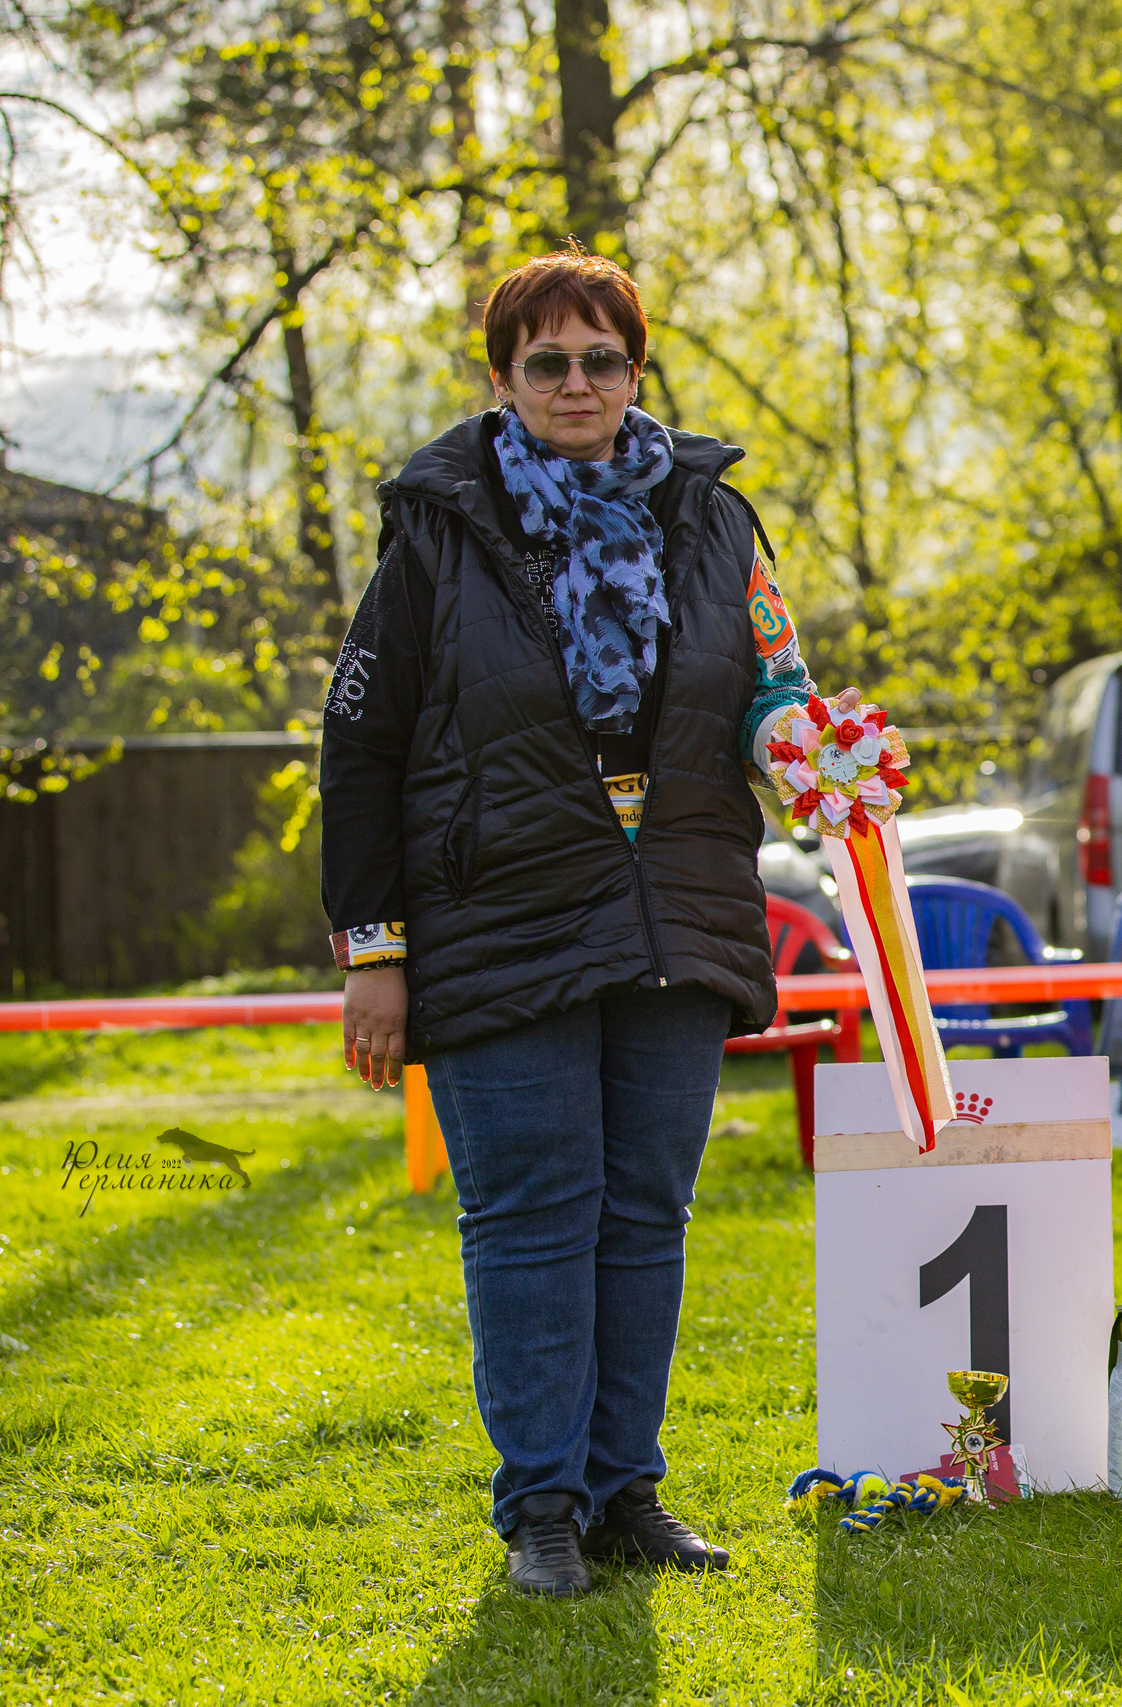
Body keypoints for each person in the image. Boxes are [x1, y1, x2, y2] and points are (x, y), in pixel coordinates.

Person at [321, 249, 810, 1596]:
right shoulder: (435, 529)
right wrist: (374, 952)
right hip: (499, 918)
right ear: (503, 379)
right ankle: (540, 1501)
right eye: (548, 362)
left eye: (603, 359)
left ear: (636, 372)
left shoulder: (716, 518)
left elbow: (772, 683)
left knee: (645, 1213)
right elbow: (359, 748)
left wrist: (813, 749)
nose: (577, 383)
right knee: (533, 1215)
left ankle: (623, 1490)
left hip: (678, 909)